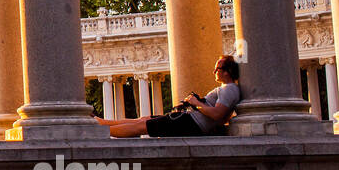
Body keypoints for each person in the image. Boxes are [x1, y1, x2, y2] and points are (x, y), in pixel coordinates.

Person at [97, 56, 241, 138]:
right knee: (144, 120)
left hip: (191, 123)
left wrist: (195, 102)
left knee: (141, 126)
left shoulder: (229, 89)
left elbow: (218, 114)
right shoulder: (229, 89)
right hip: (190, 121)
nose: (214, 71)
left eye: (218, 68)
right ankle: (103, 123)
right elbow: (222, 117)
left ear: (227, 72)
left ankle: (99, 131)